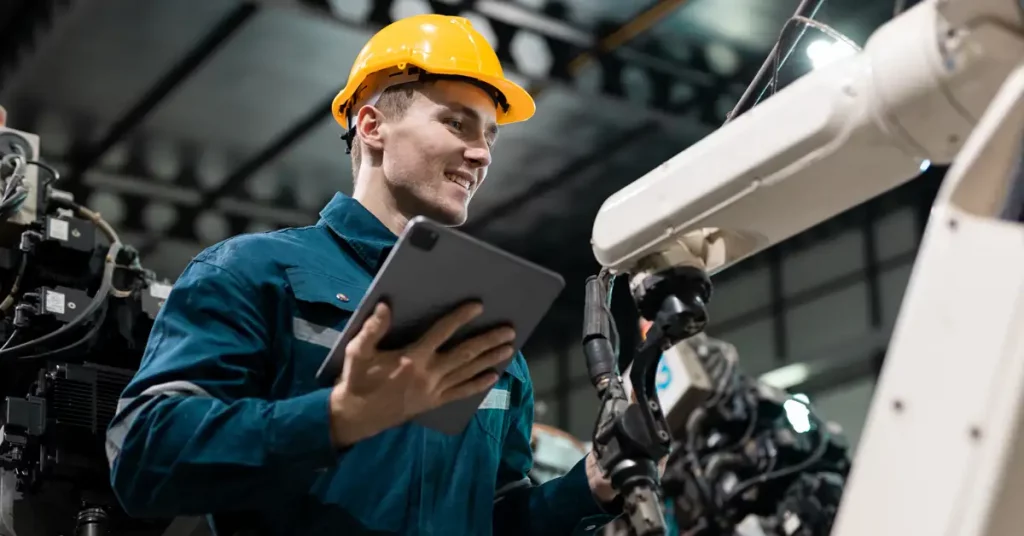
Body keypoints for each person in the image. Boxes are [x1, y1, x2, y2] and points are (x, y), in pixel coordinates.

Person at [105, 14, 622, 536]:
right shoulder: (252, 273)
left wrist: (591, 486)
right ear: (372, 126)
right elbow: (145, 456)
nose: (482, 153)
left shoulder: (489, 337)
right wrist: (337, 417)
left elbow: (495, 516)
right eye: (455, 123)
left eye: (489, 135)